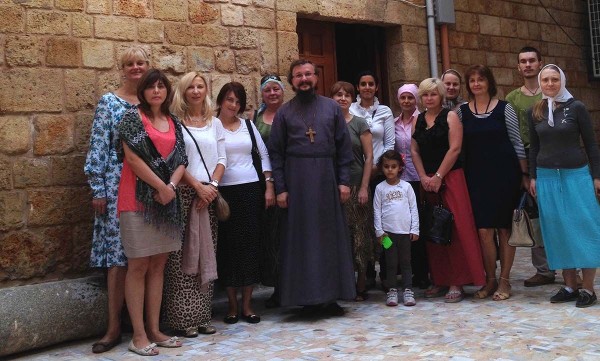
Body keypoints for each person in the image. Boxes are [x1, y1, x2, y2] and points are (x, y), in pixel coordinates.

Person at [269, 59, 355, 314]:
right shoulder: (284, 112)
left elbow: (344, 148)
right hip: (296, 181)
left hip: (327, 178)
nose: (304, 79)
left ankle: (330, 296)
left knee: (329, 237)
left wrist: (344, 181)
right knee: (301, 239)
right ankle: (306, 298)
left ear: (316, 78)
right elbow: (276, 153)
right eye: (298, 75)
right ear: (292, 81)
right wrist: (281, 188)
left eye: (308, 74)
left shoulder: (331, 108)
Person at [116, 69, 187, 356]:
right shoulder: (132, 119)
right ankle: (139, 334)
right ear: (143, 91)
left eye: (161, 86)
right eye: (151, 86)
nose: (156, 91)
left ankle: (156, 328)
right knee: (138, 266)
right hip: (137, 200)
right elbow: (132, 158)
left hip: (165, 201)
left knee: (158, 266)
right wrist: (161, 185)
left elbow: (182, 158)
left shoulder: (173, 121)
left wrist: (170, 186)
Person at [84, 46, 149, 354]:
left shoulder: (152, 99)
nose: (135, 67)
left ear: (148, 66)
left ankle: (145, 324)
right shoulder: (109, 102)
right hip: (116, 182)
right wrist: (98, 187)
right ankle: (113, 328)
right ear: (122, 68)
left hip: (148, 184)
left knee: (145, 255)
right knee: (118, 259)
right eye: (130, 63)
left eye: (140, 63)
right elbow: (98, 143)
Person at [528, 64, 600, 308]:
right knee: (557, 230)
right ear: (541, 82)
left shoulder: (576, 107)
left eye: (554, 79)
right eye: (546, 80)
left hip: (576, 175)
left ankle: (588, 289)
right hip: (546, 176)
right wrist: (532, 177)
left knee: (585, 227)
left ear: (562, 81)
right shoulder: (535, 111)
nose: (550, 84)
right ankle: (569, 285)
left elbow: (591, 144)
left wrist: (596, 176)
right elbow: (534, 147)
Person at [161, 72, 226, 337]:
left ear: (205, 91)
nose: (196, 91)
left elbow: (222, 158)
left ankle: (202, 316)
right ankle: (181, 319)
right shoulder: (175, 122)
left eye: (200, 86)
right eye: (191, 87)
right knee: (181, 257)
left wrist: (212, 186)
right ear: (183, 91)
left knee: (205, 254)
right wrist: (196, 186)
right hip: (185, 194)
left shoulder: (215, 123)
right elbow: (174, 160)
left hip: (208, 196)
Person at [457, 65, 528, 301]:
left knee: (504, 228)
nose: (476, 84)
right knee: (484, 230)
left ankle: (505, 280)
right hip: (476, 177)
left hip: (505, 175)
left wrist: (524, 175)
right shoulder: (461, 112)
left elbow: (517, 142)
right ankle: (490, 279)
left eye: (481, 79)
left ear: (489, 82)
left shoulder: (504, 108)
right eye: (472, 80)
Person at [411, 78, 485, 303]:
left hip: (450, 179)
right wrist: (423, 176)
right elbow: (414, 150)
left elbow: (455, 149)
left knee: (456, 230)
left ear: (441, 96)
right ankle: (440, 279)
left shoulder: (451, 116)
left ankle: (457, 281)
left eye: (433, 94)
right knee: (434, 229)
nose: (429, 98)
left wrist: (439, 176)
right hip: (428, 182)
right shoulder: (419, 119)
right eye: (425, 95)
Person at [216, 82, 275, 324]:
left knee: (250, 246)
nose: (234, 105)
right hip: (224, 193)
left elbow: (264, 156)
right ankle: (231, 305)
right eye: (230, 100)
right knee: (229, 247)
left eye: (238, 101)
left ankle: (248, 304)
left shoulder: (248, 126)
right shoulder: (212, 126)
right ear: (221, 100)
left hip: (250, 190)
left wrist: (269, 185)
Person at [505, 46, 555, 288]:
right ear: (518, 66)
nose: (527, 65)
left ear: (540, 63)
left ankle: (570, 268)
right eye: (523, 61)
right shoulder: (513, 99)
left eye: (531, 61)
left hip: (552, 157)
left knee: (557, 214)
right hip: (525, 158)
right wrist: (523, 171)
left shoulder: (552, 91)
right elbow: (513, 136)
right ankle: (543, 270)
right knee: (534, 215)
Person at [349, 70, 394, 288]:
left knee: (383, 222)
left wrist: (380, 166)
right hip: (359, 174)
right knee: (363, 225)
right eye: (363, 84)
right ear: (358, 88)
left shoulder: (385, 111)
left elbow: (390, 143)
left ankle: (385, 270)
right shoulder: (350, 110)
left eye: (371, 84)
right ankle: (365, 271)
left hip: (381, 174)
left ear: (376, 87)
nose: (367, 87)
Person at [330, 81, 373, 302]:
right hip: (334, 188)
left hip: (357, 186)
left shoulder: (359, 123)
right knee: (340, 236)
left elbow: (369, 158)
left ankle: (362, 281)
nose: (342, 98)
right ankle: (342, 282)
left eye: (347, 95)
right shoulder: (327, 123)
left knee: (360, 236)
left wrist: (365, 186)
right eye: (338, 95)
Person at [253, 74, 285, 308]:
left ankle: (290, 284)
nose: (272, 93)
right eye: (268, 90)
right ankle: (276, 285)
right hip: (263, 183)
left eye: (276, 89)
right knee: (271, 236)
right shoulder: (256, 119)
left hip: (288, 181)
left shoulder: (291, 113)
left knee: (287, 235)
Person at [373, 150, 419, 307]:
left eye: (394, 166)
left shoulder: (407, 187)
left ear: (400, 167)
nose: (390, 170)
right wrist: (379, 232)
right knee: (390, 262)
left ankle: (408, 290)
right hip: (387, 235)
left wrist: (415, 229)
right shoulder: (380, 188)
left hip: (405, 233)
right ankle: (392, 291)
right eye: (386, 166)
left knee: (406, 262)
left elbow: (414, 209)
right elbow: (376, 211)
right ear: (381, 168)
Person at [394, 83, 429, 289]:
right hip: (400, 180)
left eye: (410, 97)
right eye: (403, 97)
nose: (406, 101)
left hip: (418, 178)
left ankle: (422, 272)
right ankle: (400, 269)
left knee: (419, 227)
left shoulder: (422, 120)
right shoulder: (395, 122)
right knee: (402, 226)